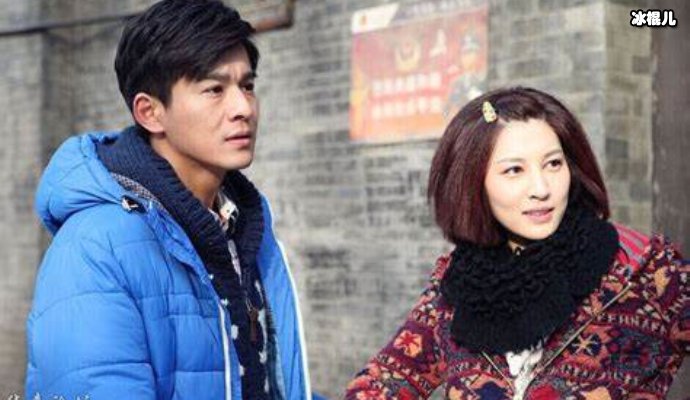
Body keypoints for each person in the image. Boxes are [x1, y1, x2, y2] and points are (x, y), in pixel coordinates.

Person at [25, 1, 319, 399]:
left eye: (247, 86)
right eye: (215, 90)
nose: (243, 108)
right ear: (150, 112)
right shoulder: (95, 249)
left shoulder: (246, 230)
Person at [345, 87, 689, 399]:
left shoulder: (644, 269)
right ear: (472, 183)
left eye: (553, 164)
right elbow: (384, 382)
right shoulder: (455, 287)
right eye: (514, 170)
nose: (541, 188)